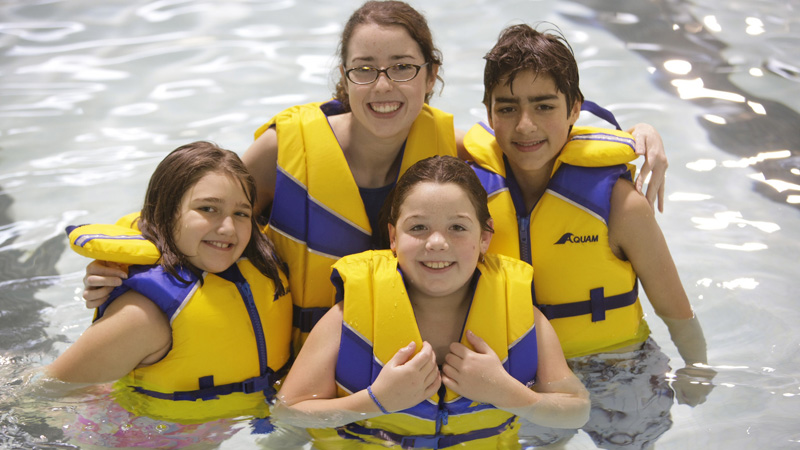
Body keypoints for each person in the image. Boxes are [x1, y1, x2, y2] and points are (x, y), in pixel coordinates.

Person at [79, 1, 668, 353]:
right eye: (365, 70)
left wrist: (638, 131)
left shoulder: (454, 145)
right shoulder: (285, 151)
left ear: (431, 74)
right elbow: (197, 204)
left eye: (403, 68)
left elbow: (538, 135)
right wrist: (123, 265)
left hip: (403, 364)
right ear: (345, 76)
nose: (383, 88)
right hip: (300, 360)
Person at [463, 24, 710, 448]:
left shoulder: (619, 204)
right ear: (488, 113)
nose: (525, 126)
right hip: (523, 375)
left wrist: (697, 368)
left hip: (621, 368)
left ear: (574, 109)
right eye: (507, 108)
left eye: (544, 106)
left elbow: (675, 306)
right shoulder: (466, 196)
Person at [271, 155, 590, 448]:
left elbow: (576, 411)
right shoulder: (348, 318)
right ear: (394, 238)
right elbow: (288, 412)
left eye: (457, 227)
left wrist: (506, 393)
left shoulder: (521, 318)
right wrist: (376, 401)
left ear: (484, 238)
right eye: (419, 227)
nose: (437, 243)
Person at [46, 141, 293, 428]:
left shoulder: (259, 266)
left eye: (241, 213)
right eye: (208, 208)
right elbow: (46, 393)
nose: (228, 228)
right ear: (166, 212)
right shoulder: (142, 317)